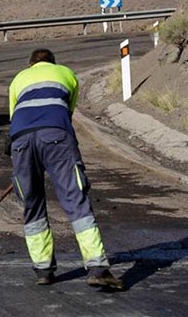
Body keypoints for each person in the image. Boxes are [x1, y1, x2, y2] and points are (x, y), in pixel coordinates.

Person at [8, 48, 124, 289]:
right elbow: (67, 114)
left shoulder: (18, 79)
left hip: (20, 142)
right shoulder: (67, 74)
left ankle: (43, 270)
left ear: (30, 65)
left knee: (32, 203)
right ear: (52, 62)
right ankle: (97, 267)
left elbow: (14, 117)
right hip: (56, 137)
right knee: (74, 198)